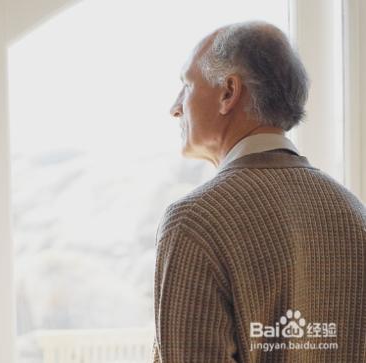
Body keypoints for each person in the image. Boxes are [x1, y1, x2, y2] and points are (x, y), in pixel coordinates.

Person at [152, 21, 366, 362]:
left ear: (228, 93)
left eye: (186, 86)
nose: (175, 107)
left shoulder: (196, 221)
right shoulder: (355, 214)